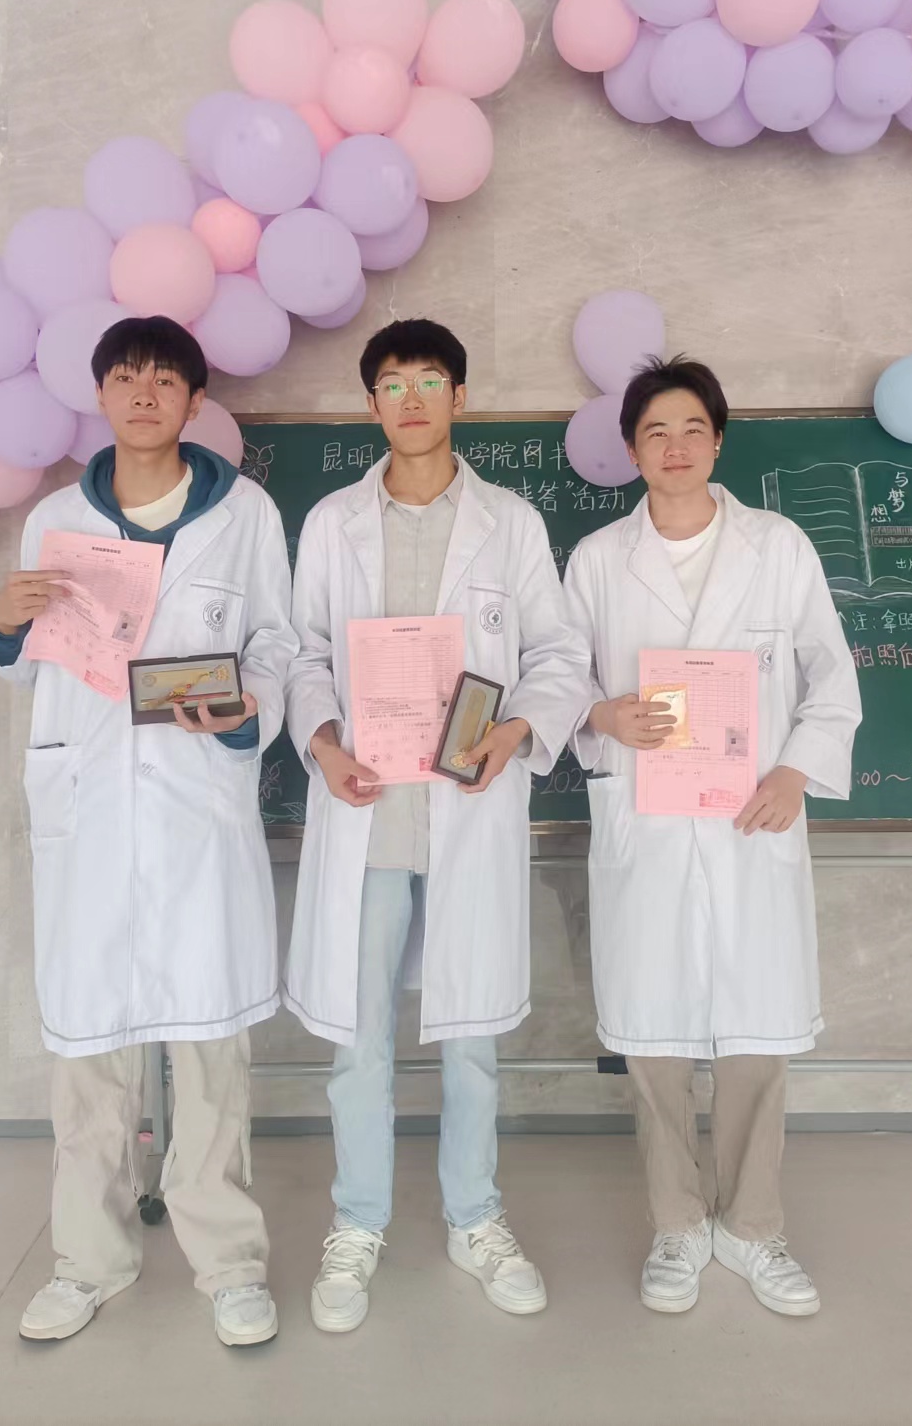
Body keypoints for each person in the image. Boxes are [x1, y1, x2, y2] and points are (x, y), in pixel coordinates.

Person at [0, 315, 295, 1349]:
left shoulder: (243, 514)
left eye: (165, 378)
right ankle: (89, 1261)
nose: (144, 393)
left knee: (208, 1048)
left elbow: (278, 643)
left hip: (196, 806)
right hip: (90, 809)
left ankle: (229, 1264)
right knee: (90, 1052)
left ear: (196, 400)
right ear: (100, 394)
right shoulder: (55, 517)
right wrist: (3, 620)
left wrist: (248, 708)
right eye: (126, 377)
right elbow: (22, 658)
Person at [283, 318, 590, 1333]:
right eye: (391, 383)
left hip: (466, 802)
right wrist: (323, 741)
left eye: (428, 381)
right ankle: (358, 1221)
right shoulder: (332, 520)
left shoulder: (510, 523)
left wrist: (518, 731)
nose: (409, 399)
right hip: (369, 811)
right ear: (371, 402)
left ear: (460, 396)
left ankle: (475, 1217)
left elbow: (557, 654)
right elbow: (303, 653)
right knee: (359, 1039)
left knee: (471, 1038)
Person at [563, 357, 861, 1319]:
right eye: (656, 431)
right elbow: (560, 678)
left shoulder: (778, 546)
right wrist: (602, 714)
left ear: (719, 440)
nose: (676, 446)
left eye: (693, 428)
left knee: (756, 1034)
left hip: (749, 823)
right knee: (653, 1038)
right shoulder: (599, 559)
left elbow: (833, 677)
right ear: (632, 450)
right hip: (648, 826)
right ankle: (678, 1226)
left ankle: (755, 1228)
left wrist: (795, 770)